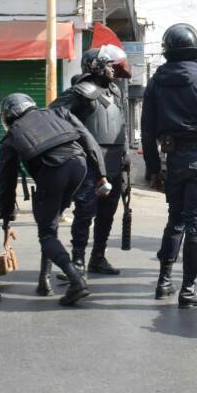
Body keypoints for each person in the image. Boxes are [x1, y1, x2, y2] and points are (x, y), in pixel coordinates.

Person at [141, 23, 197, 307]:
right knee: (195, 224)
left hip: (173, 162)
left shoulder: (155, 82)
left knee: (175, 221)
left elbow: (147, 130)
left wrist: (154, 169)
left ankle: (164, 281)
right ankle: (188, 289)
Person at [0, 93, 109, 306]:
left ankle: (76, 282)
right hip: (79, 165)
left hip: (54, 171)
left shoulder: (12, 136)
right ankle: (44, 280)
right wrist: (101, 174)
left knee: (47, 233)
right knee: (50, 222)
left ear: (10, 115)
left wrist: (7, 215)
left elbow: (6, 181)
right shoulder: (58, 112)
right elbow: (89, 140)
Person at [51, 45, 132, 277]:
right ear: (96, 66)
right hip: (89, 164)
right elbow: (54, 114)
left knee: (108, 213)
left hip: (115, 162)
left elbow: (121, 125)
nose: (114, 70)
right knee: (85, 212)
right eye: (109, 65)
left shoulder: (116, 92)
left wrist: (125, 153)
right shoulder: (80, 91)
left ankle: (98, 257)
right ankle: (77, 262)